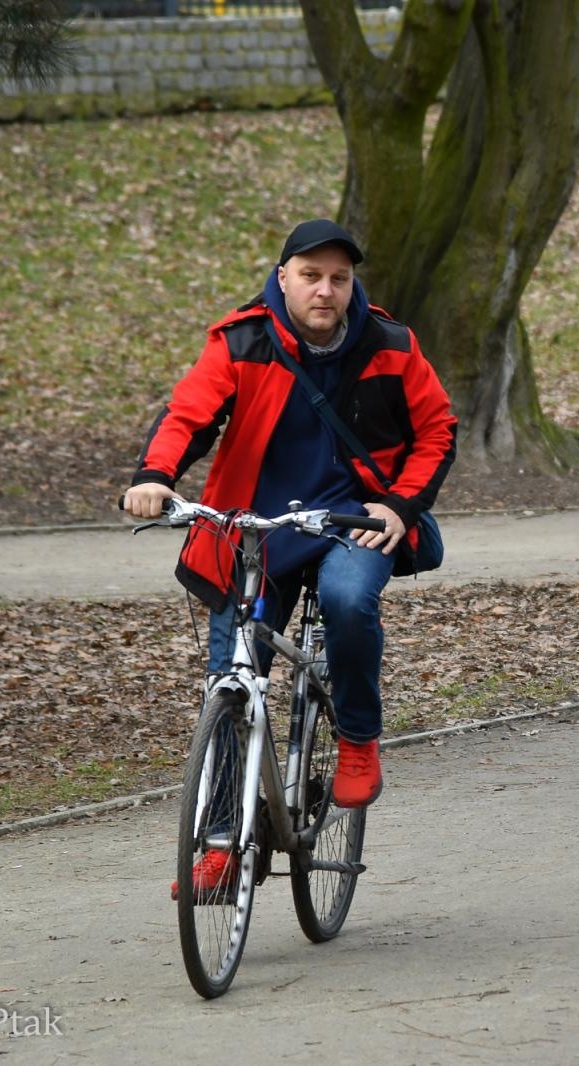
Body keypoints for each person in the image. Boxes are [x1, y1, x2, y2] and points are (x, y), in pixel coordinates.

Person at [124, 219, 456, 869]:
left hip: (350, 522)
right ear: (283, 279)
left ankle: (357, 736)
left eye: (338, 277)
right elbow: (189, 413)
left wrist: (396, 503)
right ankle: (220, 844)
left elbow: (437, 428)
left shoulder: (389, 343)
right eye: (310, 276)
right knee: (234, 680)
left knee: (349, 599)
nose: (325, 290)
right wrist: (155, 476)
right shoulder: (242, 340)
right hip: (254, 529)